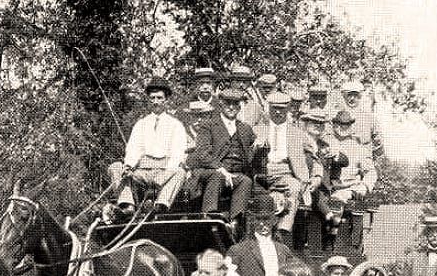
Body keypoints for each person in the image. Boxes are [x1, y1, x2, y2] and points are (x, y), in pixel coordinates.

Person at [107, 76, 189, 214]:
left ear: (166, 100)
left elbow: (178, 154)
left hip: (164, 170)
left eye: (159, 98)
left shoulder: (176, 125)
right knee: (115, 167)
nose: (155, 102)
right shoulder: (141, 124)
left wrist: (163, 177)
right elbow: (133, 149)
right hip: (142, 171)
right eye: (152, 98)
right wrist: (129, 166)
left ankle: (161, 205)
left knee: (181, 172)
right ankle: (127, 206)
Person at [226, 190, 304, 276]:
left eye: (267, 219)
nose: (262, 224)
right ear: (252, 220)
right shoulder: (237, 250)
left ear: (274, 220)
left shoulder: (283, 250)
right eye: (258, 219)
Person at [252, 91, 323, 244]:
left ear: (288, 109)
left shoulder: (298, 134)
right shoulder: (257, 130)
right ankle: (251, 239)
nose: (278, 112)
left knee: (295, 187)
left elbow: (315, 159)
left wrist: (317, 177)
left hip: (286, 173)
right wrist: (256, 150)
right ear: (268, 108)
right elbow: (246, 155)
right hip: (261, 175)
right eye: (274, 108)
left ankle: (283, 233)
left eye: (282, 108)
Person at [185, 88, 258, 220]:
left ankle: (235, 222)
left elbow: (254, 149)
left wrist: (261, 147)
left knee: (246, 181)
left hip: (236, 174)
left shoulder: (245, 128)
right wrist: (221, 169)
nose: (231, 107)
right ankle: (208, 216)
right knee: (217, 176)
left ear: (239, 107)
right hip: (211, 171)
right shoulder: (208, 125)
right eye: (227, 103)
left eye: (235, 104)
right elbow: (202, 153)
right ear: (221, 104)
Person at [322, 110, 377, 232]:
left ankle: (331, 238)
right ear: (334, 124)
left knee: (337, 201)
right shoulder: (324, 141)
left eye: (345, 124)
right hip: (324, 186)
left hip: (346, 188)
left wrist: (364, 186)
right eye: (338, 123)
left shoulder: (359, 147)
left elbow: (371, 172)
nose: (341, 127)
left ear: (351, 126)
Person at [340, 80, 384, 159]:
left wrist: (370, 157)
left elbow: (378, 142)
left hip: (364, 160)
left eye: (355, 95)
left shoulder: (370, 118)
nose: (352, 98)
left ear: (360, 96)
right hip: (343, 162)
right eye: (349, 95)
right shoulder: (337, 116)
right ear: (344, 96)